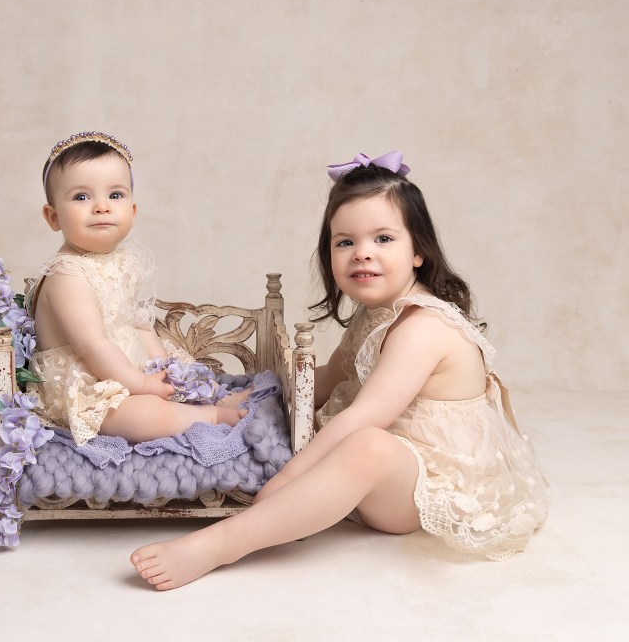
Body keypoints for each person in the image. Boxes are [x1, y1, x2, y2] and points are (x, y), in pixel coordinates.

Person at [130, 151, 550, 590]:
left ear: (419, 251)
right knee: (338, 429)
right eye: (345, 242)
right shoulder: (376, 315)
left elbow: (363, 416)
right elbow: (325, 383)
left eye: (383, 239)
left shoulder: (423, 327)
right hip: (397, 467)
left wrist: (290, 477)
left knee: (367, 443)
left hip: (434, 484)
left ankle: (221, 544)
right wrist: (240, 403)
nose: (361, 254)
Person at [24, 131, 248, 446]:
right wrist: (141, 384)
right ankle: (209, 418)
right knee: (144, 414)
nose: (101, 206)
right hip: (87, 390)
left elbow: (140, 326)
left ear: (133, 212)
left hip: (127, 369)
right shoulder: (67, 276)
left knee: (183, 370)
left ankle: (212, 402)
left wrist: (165, 368)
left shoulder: (124, 261)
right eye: (81, 197)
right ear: (53, 216)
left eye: (115, 195)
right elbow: (93, 347)